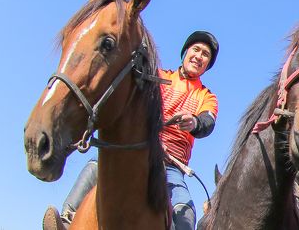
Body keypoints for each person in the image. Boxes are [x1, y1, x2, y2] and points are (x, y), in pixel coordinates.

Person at [60, 31, 220, 230]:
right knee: (97, 163)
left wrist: (195, 122)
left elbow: (208, 121)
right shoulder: (159, 77)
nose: (199, 56)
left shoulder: (207, 97)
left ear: (208, 64)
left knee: (185, 210)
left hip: (171, 166)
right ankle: (67, 220)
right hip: (142, 148)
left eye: (206, 54)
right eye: (196, 49)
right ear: (185, 52)